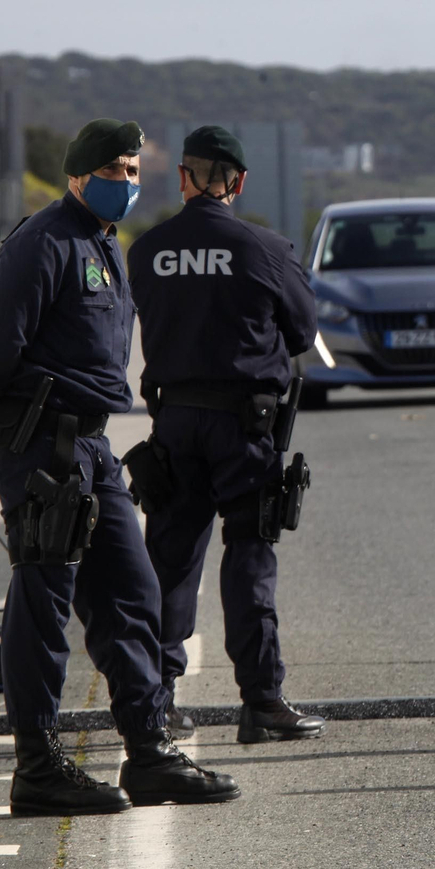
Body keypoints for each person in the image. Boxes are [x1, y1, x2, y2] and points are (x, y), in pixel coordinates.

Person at [0, 118, 240, 814]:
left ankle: (147, 753)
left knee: (132, 595)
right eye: (115, 170)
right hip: (41, 446)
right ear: (78, 175)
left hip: (91, 446)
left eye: (135, 171)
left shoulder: (105, 244)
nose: (128, 183)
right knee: (45, 602)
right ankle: (39, 766)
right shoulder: (43, 242)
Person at [127, 125, 324, 743]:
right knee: (250, 556)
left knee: (170, 562)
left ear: (183, 177)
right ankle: (261, 701)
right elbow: (303, 330)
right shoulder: (265, 249)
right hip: (245, 427)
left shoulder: (147, 250)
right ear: (236, 182)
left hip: (174, 422)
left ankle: (156, 702)